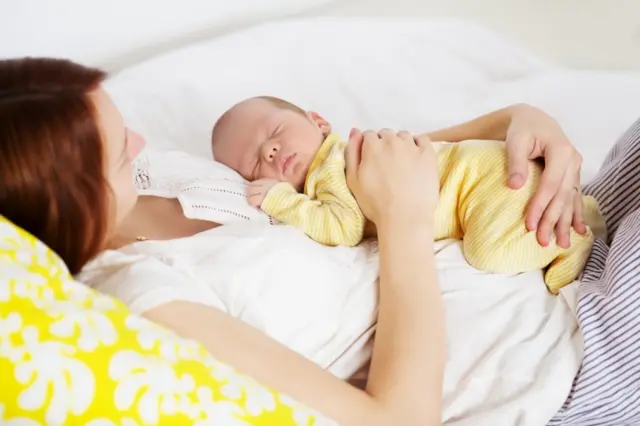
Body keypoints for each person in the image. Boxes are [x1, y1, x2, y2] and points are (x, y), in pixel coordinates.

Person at [1, 57, 603, 424]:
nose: (136, 138)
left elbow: (364, 162)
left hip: (545, 230)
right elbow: (397, 420)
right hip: (565, 356)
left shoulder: (156, 173)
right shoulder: (148, 297)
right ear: (68, 198)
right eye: (113, 148)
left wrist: (517, 120)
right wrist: (405, 222)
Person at [211, 95, 606, 292]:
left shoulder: (332, 166)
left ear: (319, 122)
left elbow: (344, 228)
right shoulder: (345, 162)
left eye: (276, 132)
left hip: (482, 179)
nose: (270, 151)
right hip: (482, 170)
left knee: (490, 254)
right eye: (253, 163)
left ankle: (573, 238)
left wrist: (281, 199)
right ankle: (578, 215)